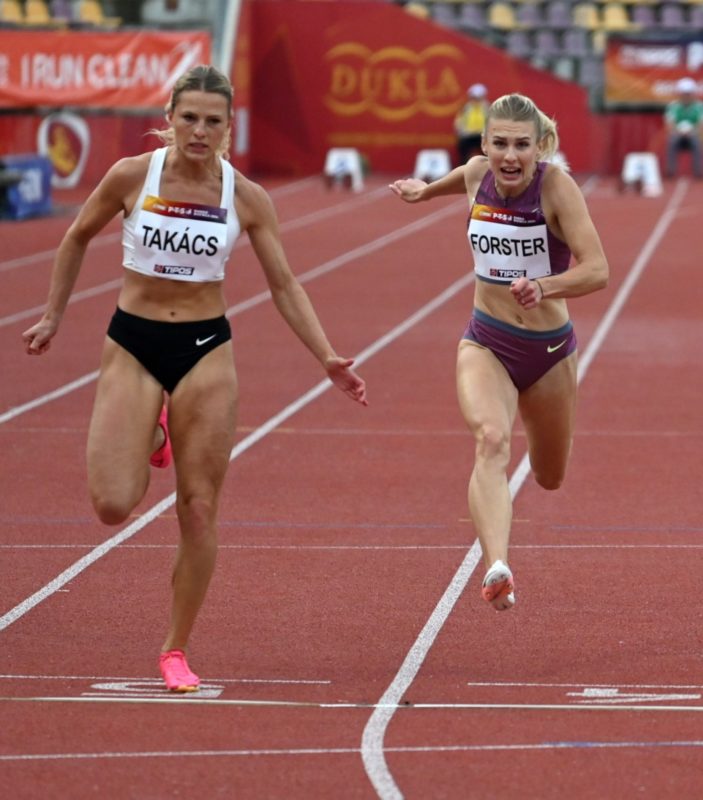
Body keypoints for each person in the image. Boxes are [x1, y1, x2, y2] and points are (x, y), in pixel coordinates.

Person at [21, 64, 368, 691]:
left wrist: (328, 358)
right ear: (170, 119)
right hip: (134, 341)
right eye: (189, 118)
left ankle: (175, 650)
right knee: (112, 505)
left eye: (213, 121)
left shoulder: (247, 197)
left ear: (229, 127)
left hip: (206, 348)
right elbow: (75, 237)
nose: (199, 131)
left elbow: (284, 285)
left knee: (200, 507)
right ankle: (155, 427)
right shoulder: (132, 176)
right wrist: (52, 316)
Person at [389, 93, 608, 611]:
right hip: (486, 339)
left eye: (522, 146)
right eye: (501, 144)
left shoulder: (557, 188)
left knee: (550, 476)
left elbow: (598, 270)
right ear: (485, 144)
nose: (511, 157)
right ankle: (497, 566)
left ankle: (502, 552)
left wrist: (546, 286)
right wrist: (423, 193)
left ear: (541, 147)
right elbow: (456, 180)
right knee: (490, 439)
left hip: (549, 349)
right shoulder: (474, 175)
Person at [664, 77, 703, 179]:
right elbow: (670, 124)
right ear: (679, 94)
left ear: (693, 94)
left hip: (694, 134)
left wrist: (692, 132)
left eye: (688, 94)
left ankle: (699, 172)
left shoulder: (701, 106)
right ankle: (670, 172)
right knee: (672, 141)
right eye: (683, 94)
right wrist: (678, 132)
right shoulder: (673, 106)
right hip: (678, 134)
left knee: (697, 142)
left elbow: (702, 124)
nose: (686, 96)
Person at [454, 83, 489, 167]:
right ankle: (463, 167)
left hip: (482, 135)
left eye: (478, 97)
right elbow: (459, 122)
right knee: (462, 147)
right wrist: (460, 132)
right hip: (468, 135)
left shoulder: (487, 108)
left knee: (489, 149)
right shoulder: (466, 108)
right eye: (474, 97)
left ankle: (487, 168)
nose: (476, 100)